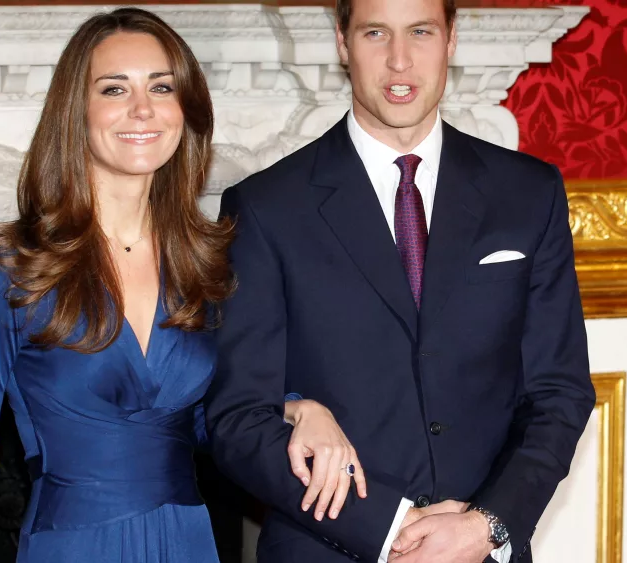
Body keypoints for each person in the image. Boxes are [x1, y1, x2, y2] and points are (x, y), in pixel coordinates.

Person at [0, 7, 365, 563]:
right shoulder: (9, 269)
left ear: (184, 110)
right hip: (70, 546)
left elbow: (209, 421)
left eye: (161, 88)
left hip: (188, 542)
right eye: (115, 89)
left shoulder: (205, 264)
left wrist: (297, 408)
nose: (142, 109)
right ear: (76, 112)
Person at [204, 0, 597, 561]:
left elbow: (559, 392)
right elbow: (238, 418)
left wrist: (486, 526)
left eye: (420, 31)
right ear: (343, 42)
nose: (399, 60)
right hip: (327, 549)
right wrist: (390, 528)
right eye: (374, 33)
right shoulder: (266, 208)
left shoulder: (528, 194)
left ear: (451, 39)